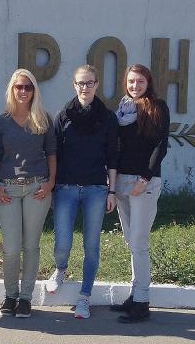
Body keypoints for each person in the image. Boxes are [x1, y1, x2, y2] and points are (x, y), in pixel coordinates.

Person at [45, 64, 118, 320]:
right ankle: (60, 269)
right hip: (65, 188)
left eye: (89, 83)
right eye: (80, 83)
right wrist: (52, 186)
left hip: (96, 189)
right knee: (62, 243)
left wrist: (112, 191)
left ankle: (84, 297)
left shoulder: (107, 118)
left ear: (97, 84)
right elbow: (53, 154)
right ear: (74, 85)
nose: (84, 87)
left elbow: (112, 156)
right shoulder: (63, 116)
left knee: (91, 246)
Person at [0, 69, 56, 318]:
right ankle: (10, 296)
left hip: (37, 188)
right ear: (12, 89)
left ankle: (26, 298)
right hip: (7, 188)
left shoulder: (43, 118)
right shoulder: (2, 121)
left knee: (31, 245)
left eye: (28, 87)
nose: (23, 91)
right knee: (11, 247)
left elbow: (51, 154)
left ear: (34, 91)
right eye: (19, 86)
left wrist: (50, 183)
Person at [110, 64, 170, 323]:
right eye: (131, 81)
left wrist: (144, 179)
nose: (135, 86)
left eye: (140, 81)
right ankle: (135, 295)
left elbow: (161, 146)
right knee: (130, 242)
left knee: (139, 242)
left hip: (144, 183)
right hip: (122, 181)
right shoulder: (122, 109)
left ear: (149, 83)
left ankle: (142, 302)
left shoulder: (158, 107)